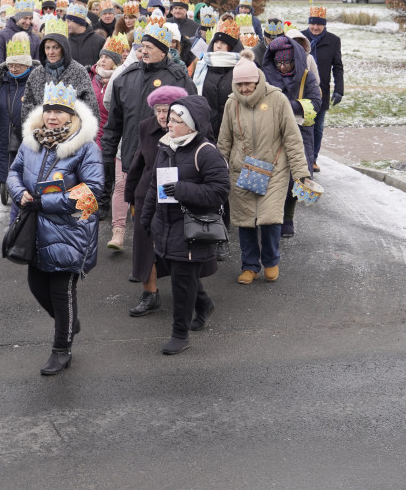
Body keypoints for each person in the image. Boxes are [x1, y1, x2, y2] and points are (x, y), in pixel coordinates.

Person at [6, 82, 102, 376]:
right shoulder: (30, 141)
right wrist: (19, 192)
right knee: (37, 285)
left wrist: (47, 203)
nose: (52, 116)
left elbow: (94, 193)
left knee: (62, 292)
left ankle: (62, 349)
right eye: (49, 110)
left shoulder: (85, 147)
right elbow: (13, 172)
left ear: (71, 115)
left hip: (70, 230)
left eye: (59, 111)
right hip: (34, 228)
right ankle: (69, 323)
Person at [142, 95, 230, 354]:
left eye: (176, 120)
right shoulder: (166, 147)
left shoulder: (207, 152)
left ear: (191, 125)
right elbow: (153, 186)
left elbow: (219, 192)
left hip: (192, 228)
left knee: (182, 280)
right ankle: (203, 304)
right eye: (169, 118)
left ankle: (180, 335)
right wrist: (147, 218)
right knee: (184, 275)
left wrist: (181, 189)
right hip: (166, 226)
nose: (169, 123)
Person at [217, 52, 311, 284]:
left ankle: (271, 260)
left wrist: (301, 173)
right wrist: (218, 171)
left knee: (270, 219)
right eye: (239, 84)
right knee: (246, 220)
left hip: (274, 170)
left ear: (258, 80)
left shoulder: (277, 100)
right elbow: (224, 141)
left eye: (248, 83)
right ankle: (249, 265)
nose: (245, 88)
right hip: (242, 170)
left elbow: (292, 138)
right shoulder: (231, 103)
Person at [101, 22, 196, 213]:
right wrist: (106, 156)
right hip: (133, 159)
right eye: (142, 46)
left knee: (164, 212)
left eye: (149, 48)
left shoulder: (178, 78)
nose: (143, 51)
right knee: (139, 211)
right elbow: (114, 124)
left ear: (163, 51)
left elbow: (195, 119)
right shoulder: (126, 77)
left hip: (166, 159)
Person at [123, 86, 188, 317]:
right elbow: (137, 163)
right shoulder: (145, 128)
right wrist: (130, 197)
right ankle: (149, 294)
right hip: (148, 195)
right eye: (158, 110)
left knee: (180, 247)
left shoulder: (190, 130)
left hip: (179, 195)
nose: (162, 116)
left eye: (167, 111)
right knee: (145, 245)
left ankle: (192, 294)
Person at [262, 34, 321, 238]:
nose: (283, 68)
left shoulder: (306, 77)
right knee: (271, 175)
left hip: (299, 131)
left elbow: (315, 102)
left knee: (295, 175)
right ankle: (271, 217)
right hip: (271, 131)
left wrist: (290, 105)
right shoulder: (266, 77)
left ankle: (288, 218)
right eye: (279, 63)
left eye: (287, 63)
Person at [88, 35, 130, 243]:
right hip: (95, 130)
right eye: (101, 57)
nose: (102, 60)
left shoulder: (121, 78)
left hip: (114, 130)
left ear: (116, 61)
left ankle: (117, 204)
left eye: (107, 57)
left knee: (115, 169)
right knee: (100, 167)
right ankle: (102, 203)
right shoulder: (91, 77)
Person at [0, 34, 37, 209]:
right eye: (11, 65)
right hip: (3, 131)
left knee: (24, 164)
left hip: (25, 133)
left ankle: (24, 190)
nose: (14, 68)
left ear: (27, 64)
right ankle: (4, 183)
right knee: (3, 159)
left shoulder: (35, 82)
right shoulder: (1, 83)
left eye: (18, 65)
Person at [21, 20, 97, 120]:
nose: (50, 52)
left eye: (55, 48)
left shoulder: (79, 71)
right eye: (47, 48)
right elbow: (27, 107)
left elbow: (91, 108)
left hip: (72, 131)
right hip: (42, 132)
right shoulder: (36, 74)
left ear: (64, 48)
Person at [302, 6, 344, 173]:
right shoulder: (300, 37)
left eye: (319, 25)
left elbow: (338, 67)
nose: (315, 28)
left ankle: (313, 159)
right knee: (303, 125)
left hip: (321, 91)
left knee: (317, 126)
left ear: (324, 25)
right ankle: (301, 158)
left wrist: (339, 89)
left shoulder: (333, 41)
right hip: (302, 90)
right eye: (313, 24)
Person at [199, 22, 242, 142]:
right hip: (206, 129)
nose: (218, 46)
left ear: (232, 47)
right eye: (216, 42)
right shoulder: (203, 66)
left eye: (223, 43)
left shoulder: (242, 67)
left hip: (234, 131)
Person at [0, 0, 41, 73]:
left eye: (30, 18)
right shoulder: (0, 36)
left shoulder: (35, 38)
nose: (28, 22)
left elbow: (37, 65)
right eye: (25, 18)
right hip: (7, 82)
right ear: (17, 18)